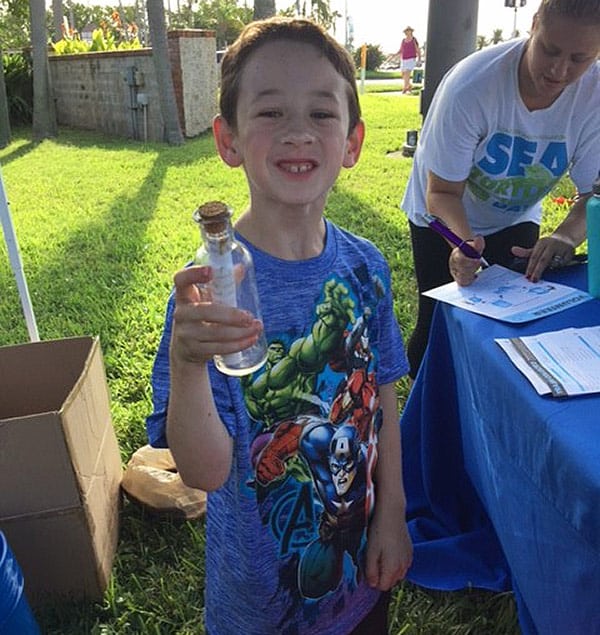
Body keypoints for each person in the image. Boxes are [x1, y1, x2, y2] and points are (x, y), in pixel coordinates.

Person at [145, 17, 413, 635]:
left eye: (322, 114)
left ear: (352, 142)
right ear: (228, 139)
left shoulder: (366, 267)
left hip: (361, 583)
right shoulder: (209, 294)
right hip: (261, 607)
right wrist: (188, 365)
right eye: (269, 113)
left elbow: (386, 393)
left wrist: (392, 512)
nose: (298, 132)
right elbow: (205, 473)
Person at [401, 0, 600, 379]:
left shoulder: (595, 96)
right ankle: (423, 420)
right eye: (550, 50)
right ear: (534, 24)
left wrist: (565, 235)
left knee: (509, 328)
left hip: (517, 213)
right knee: (440, 324)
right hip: (443, 215)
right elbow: (441, 192)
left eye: (580, 58)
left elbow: (595, 194)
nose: (559, 71)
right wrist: (464, 246)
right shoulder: (472, 85)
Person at [398, 27, 422, 94]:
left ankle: (405, 88)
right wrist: (394, 55)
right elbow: (401, 50)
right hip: (404, 59)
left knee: (407, 73)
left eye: (408, 31)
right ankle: (409, 86)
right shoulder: (403, 40)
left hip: (411, 59)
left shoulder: (414, 40)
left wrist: (419, 59)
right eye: (405, 31)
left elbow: (418, 50)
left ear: (411, 32)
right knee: (403, 74)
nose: (406, 33)